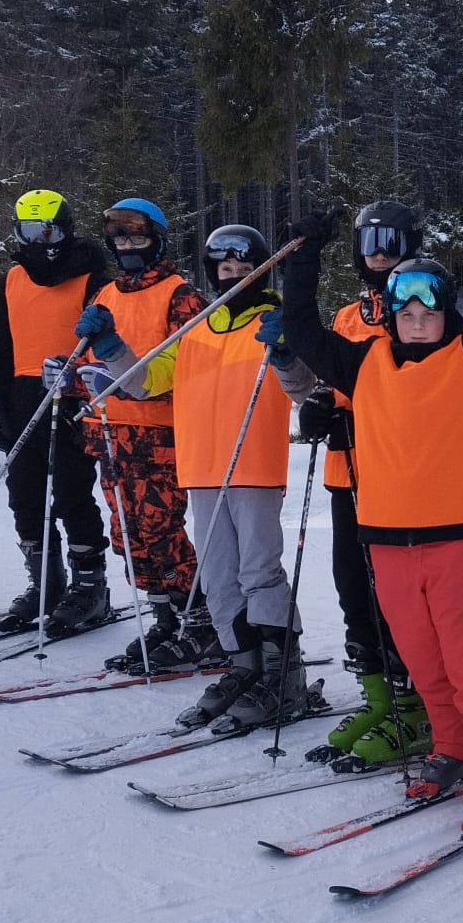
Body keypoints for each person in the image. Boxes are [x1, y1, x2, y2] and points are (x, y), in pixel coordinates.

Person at [279, 199, 463, 832]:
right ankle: (454, 747)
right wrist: (306, 253)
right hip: (385, 540)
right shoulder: (363, 362)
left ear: (447, 313)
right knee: (423, 661)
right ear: (393, 317)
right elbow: (302, 326)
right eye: (407, 314)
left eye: (429, 314)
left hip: (453, 541)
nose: (418, 324)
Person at [140, 224, 319, 731]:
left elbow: (303, 388)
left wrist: (285, 351)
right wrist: (110, 351)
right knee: (218, 578)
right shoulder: (195, 326)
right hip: (202, 470)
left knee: (259, 573)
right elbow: (146, 380)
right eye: (226, 269)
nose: (236, 277)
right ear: (212, 272)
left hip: (254, 468)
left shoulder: (276, 318)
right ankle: (245, 667)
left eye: (246, 269)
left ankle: (283, 676)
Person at [298, 199, 429, 766]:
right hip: (346, 472)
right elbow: (335, 377)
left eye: (391, 241)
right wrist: (321, 405)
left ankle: (418, 705)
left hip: (397, 477)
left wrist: (358, 416)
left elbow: (419, 391)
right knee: (352, 587)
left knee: (396, 593)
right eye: (370, 241)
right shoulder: (350, 316)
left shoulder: (421, 310)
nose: (379, 253)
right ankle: (381, 698)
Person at [68, 197, 206, 673]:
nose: (129, 246)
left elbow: (189, 363)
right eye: (120, 238)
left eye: (138, 237)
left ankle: (198, 621)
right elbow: (87, 358)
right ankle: (164, 618)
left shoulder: (179, 294)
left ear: (158, 241)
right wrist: (67, 376)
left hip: (157, 434)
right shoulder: (105, 294)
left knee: (161, 529)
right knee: (128, 534)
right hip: (109, 430)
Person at [0, 189, 113, 636]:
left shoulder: (92, 275)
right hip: (21, 395)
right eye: (28, 231)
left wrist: (86, 396)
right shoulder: (13, 279)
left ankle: (90, 586)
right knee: (24, 493)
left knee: (72, 492)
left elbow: (105, 342)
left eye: (48, 231)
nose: (39, 241)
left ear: (65, 229)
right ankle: (45, 582)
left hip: (70, 395)